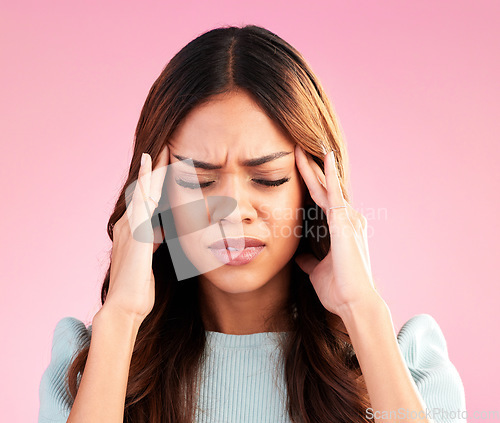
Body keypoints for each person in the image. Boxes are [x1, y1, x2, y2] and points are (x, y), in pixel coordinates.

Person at [38, 24, 466, 423]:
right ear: (157, 192)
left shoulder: (410, 361)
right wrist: (122, 319)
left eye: (268, 179)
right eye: (199, 180)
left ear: (313, 190)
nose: (232, 211)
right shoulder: (88, 365)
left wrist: (362, 311)